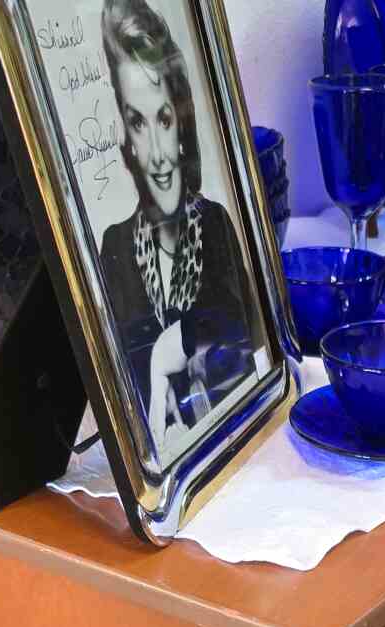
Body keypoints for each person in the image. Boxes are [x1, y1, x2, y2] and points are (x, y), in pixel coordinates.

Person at [99, 0, 255, 463]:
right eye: (138, 123)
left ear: (181, 124)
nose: (158, 154)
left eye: (164, 120)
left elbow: (244, 333)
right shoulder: (115, 246)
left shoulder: (215, 224)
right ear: (126, 139)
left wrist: (175, 343)